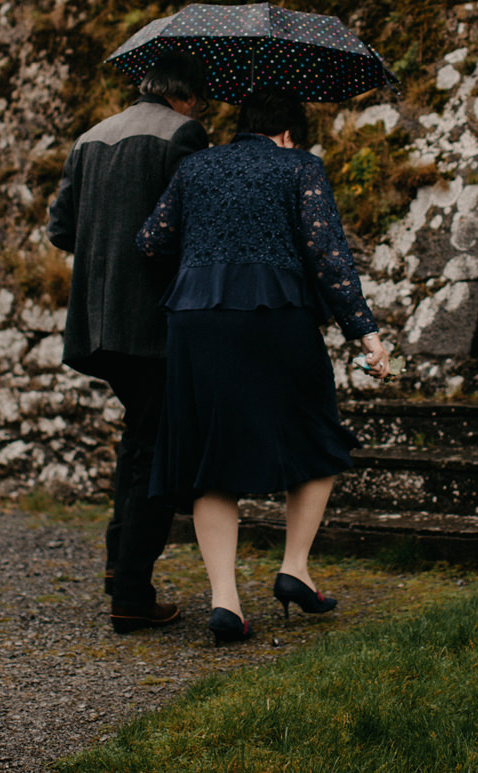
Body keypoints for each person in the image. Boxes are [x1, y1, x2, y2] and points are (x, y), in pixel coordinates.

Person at [137, 86, 390, 645]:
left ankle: (225, 603)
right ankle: (294, 568)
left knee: (210, 454)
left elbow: (151, 239)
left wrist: (205, 263)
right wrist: (365, 334)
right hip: (276, 314)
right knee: (317, 435)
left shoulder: (196, 167)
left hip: (196, 318)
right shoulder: (300, 167)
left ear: (243, 123)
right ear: (288, 132)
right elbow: (328, 256)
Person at [46, 50, 210, 633]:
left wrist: (103, 255)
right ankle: (132, 591)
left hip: (95, 322)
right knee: (159, 447)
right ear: (185, 96)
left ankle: (122, 573)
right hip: (154, 320)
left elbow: (61, 229)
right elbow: (194, 224)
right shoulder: (184, 134)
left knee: (141, 438)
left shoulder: (90, 137)